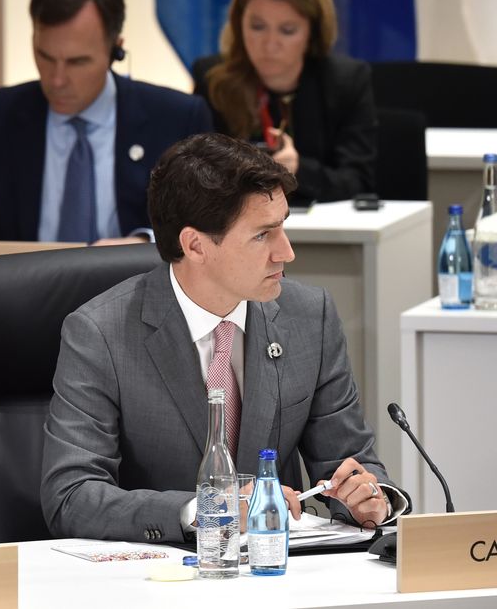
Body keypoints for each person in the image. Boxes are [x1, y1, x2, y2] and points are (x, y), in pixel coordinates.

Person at [39, 133, 408, 544]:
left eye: (283, 227)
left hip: (280, 576)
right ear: (195, 245)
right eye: (261, 235)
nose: (286, 252)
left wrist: (372, 498)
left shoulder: (310, 317)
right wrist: (210, 511)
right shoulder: (100, 333)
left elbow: (351, 463)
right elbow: (70, 497)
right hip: (159, 580)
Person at [0, 0, 212, 245]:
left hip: (135, 292)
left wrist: (141, 244)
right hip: (19, 294)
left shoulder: (176, 119)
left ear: (115, 50)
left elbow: (209, 223)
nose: (57, 80)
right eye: (45, 57)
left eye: (77, 62)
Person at [192, 0, 376, 205]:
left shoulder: (346, 81)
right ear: (238, 24)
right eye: (257, 26)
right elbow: (193, 178)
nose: (270, 44)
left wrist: (298, 168)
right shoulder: (212, 79)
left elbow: (358, 181)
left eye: (287, 30)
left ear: (312, 31)